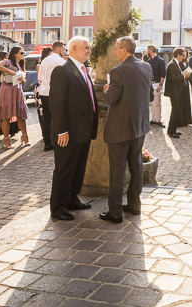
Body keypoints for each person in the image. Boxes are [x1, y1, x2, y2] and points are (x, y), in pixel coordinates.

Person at [99, 36, 153, 224]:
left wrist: (106, 89)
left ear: (124, 49)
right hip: (140, 126)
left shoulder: (118, 71)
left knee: (118, 169)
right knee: (136, 166)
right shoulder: (146, 66)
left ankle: (115, 211)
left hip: (120, 128)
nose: (114, 51)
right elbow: (149, 94)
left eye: (116, 48)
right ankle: (134, 205)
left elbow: (111, 99)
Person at [48, 36, 97, 221]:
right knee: (64, 169)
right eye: (86, 48)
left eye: (89, 48)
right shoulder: (62, 70)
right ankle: (58, 207)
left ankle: (72, 198)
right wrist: (61, 130)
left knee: (78, 168)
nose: (89, 51)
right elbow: (56, 103)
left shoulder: (83, 69)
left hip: (82, 130)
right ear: (74, 48)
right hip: (67, 133)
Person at [0, 46, 29, 149]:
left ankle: (25, 136)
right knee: (6, 115)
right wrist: (8, 70)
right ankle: (6, 139)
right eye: (21, 53)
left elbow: (23, 81)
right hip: (6, 91)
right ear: (15, 54)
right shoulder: (7, 62)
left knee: (21, 115)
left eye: (23, 53)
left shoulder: (20, 65)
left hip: (17, 91)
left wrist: (22, 79)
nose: (23, 55)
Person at [37, 41, 67, 151]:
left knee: (46, 118)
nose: (64, 51)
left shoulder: (44, 60)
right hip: (54, 93)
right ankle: (57, 139)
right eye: (63, 49)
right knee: (57, 117)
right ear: (58, 49)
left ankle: (47, 142)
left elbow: (39, 77)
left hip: (44, 91)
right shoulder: (60, 61)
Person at [164, 47, 190, 139]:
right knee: (175, 111)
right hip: (174, 92)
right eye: (183, 55)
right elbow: (173, 79)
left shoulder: (177, 64)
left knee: (176, 110)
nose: (184, 57)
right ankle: (171, 131)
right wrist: (184, 76)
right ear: (178, 55)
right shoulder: (172, 64)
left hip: (178, 91)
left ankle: (172, 130)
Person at [146, 45, 166, 128]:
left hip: (157, 83)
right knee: (151, 103)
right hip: (150, 84)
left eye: (147, 50)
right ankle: (153, 119)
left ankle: (158, 120)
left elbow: (163, 74)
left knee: (157, 102)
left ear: (150, 51)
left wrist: (160, 85)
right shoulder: (149, 61)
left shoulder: (161, 61)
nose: (146, 51)